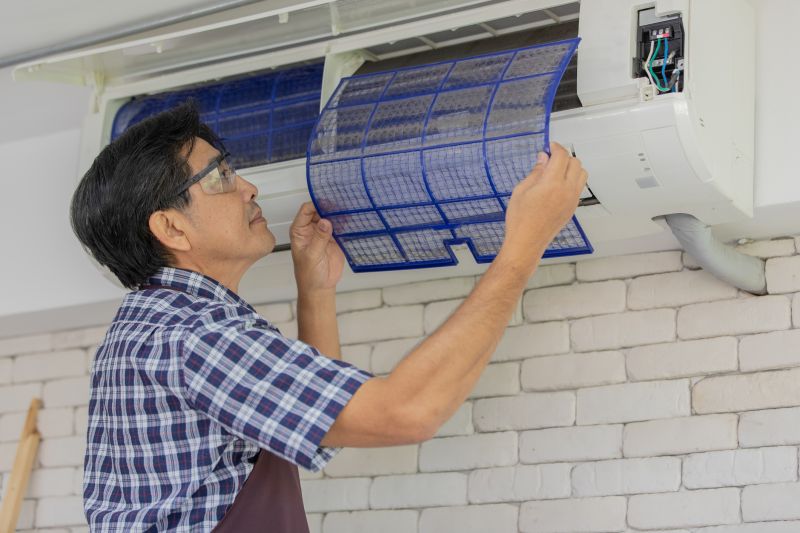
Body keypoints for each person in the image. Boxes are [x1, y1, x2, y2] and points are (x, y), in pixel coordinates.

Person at [70, 101, 587, 532]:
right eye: (221, 176)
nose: (249, 187)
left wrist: (314, 290)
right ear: (171, 228)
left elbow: (311, 427)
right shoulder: (194, 335)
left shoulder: (157, 323)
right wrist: (524, 244)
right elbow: (406, 412)